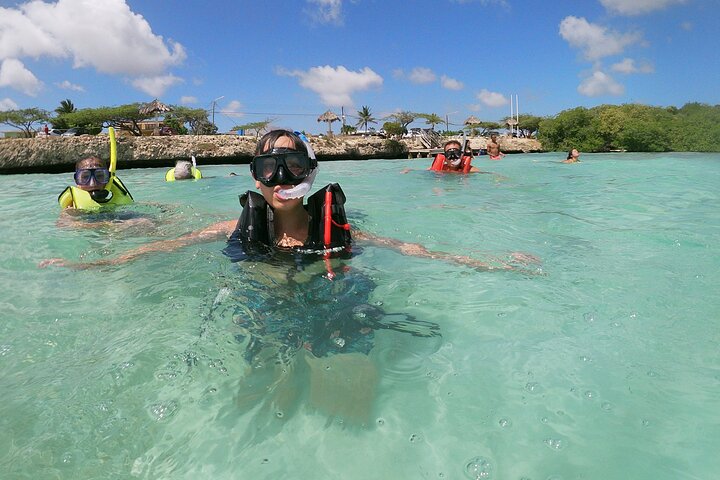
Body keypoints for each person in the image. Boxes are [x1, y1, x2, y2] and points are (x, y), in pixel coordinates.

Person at [42, 129, 530, 272]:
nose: (280, 179)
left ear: (311, 174)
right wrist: (87, 266)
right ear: (255, 178)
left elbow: (412, 248)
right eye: (268, 169)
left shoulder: (339, 230)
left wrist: (490, 263)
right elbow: (163, 246)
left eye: (293, 167)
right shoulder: (232, 228)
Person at [58, 155, 134, 209]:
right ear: (76, 180)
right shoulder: (72, 210)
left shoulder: (121, 205)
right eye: (85, 177)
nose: (93, 183)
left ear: (108, 178)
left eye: (100, 176)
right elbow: (64, 225)